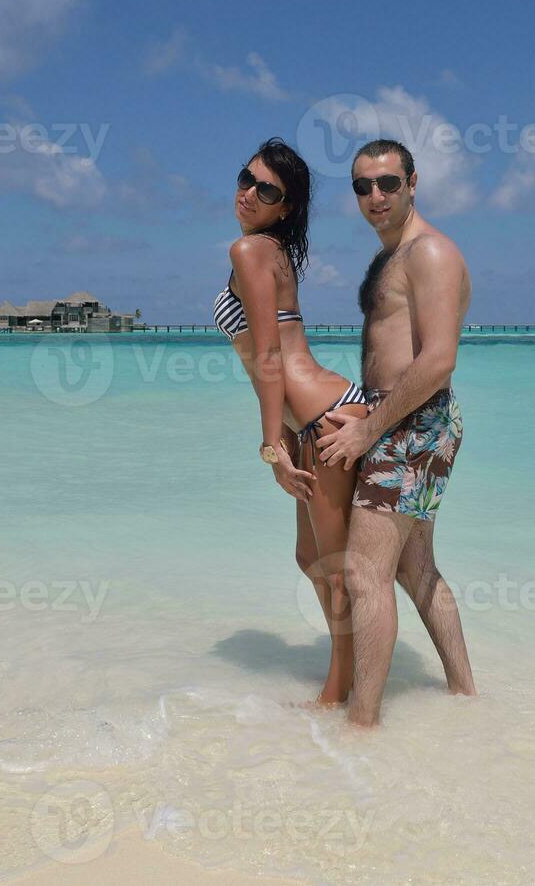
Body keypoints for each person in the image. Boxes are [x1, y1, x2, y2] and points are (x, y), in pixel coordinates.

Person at [316, 139, 478, 727]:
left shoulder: (430, 253)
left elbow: (437, 361)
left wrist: (367, 433)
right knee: (414, 570)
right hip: (406, 421)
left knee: (365, 573)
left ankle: (362, 726)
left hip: (412, 423)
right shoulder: (392, 257)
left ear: (414, 182)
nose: (375, 197)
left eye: (388, 183)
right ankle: (466, 698)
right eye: (362, 186)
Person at [215, 137, 369, 707]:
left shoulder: (250, 252)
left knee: (332, 566)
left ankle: (340, 689)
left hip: (324, 420)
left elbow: (271, 357)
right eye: (245, 178)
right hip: (317, 413)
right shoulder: (274, 252)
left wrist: (270, 446)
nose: (249, 193)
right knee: (312, 558)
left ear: (286, 207)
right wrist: (281, 434)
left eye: (267, 189)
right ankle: (353, 673)